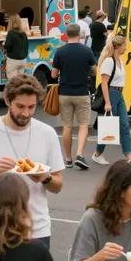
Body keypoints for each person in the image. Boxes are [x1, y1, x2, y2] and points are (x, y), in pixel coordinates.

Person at [0, 75, 64, 250]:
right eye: (20, 106)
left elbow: (58, 185)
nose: (26, 113)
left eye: (31, 107)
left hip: (37, 231)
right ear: (7, 100)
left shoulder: (47, 134)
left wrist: (44, 177)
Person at [52, 23, 97, 170]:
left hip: (65, 93)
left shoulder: (60, 51)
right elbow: (95, 71)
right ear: (79, 35)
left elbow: (54, 74)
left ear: (66, 35)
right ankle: (79, 154)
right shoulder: (86, 51)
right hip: (82, 93)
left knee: (67, 126)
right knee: (83, 125)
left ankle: (68, 159)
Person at [93, 35, 131, 166]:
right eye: (124, 45)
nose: (126, 48)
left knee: (124, 125)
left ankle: (129, 156)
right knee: (109, 126)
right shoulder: (109, 62)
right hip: (111, 93)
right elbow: (104, 83)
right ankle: (97, 154)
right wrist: (107, 102)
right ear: (118, 47)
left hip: (119, 94)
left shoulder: (120, 61)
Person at [4, 13, 29, 80]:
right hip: (23, 60)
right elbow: (27, 45)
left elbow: (7, 46)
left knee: (12, 82)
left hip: (13, 60)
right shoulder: (23, 33)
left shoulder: (11, 33)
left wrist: (4, 44)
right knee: (20, 81)